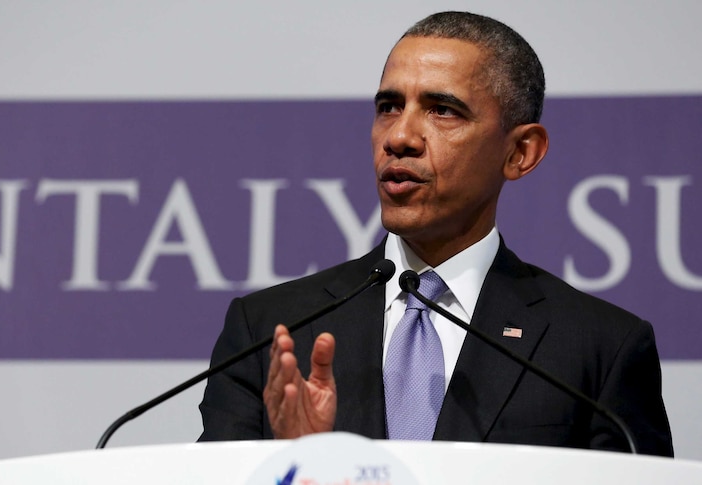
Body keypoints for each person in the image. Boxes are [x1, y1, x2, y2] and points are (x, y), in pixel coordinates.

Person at [198, 11, 673, 456]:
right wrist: (297, 467)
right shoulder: (269, 331)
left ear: (521, 152)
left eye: (442, 110)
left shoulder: (599, 348)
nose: (399, 137)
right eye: (388, 106)